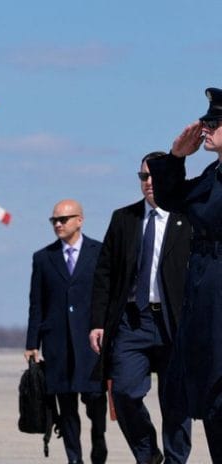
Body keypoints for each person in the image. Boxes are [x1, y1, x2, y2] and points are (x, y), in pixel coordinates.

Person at [89, 152, 192, 464]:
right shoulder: (124, 218)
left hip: (176, 322)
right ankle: (148, 455)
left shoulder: (188, 217)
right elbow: (104, 273)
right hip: (133, 322)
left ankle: (176, 460)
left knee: (176, 401)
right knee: (124, 391)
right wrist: (97, 322)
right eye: (143, 176)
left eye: (154, 176)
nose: (148, 182)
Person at [147, 87, 222, 462]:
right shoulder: (213, 173)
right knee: (210, 396)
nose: (205, 128)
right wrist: (176, 157)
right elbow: (173, 198)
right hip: (205, 295)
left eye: (215, 122)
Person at [24, 199, 107, 464]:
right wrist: (32, 343)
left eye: (63, 219)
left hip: (91, 344)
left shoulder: (100, 252)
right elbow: (36, 304)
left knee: (95, 399)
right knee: (67, 406)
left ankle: (99, 441)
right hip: (57, 343)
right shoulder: (43, 258)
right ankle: (74, 458)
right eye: (54, 220)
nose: (58, 224)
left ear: (79, 220)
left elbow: (107, 296)